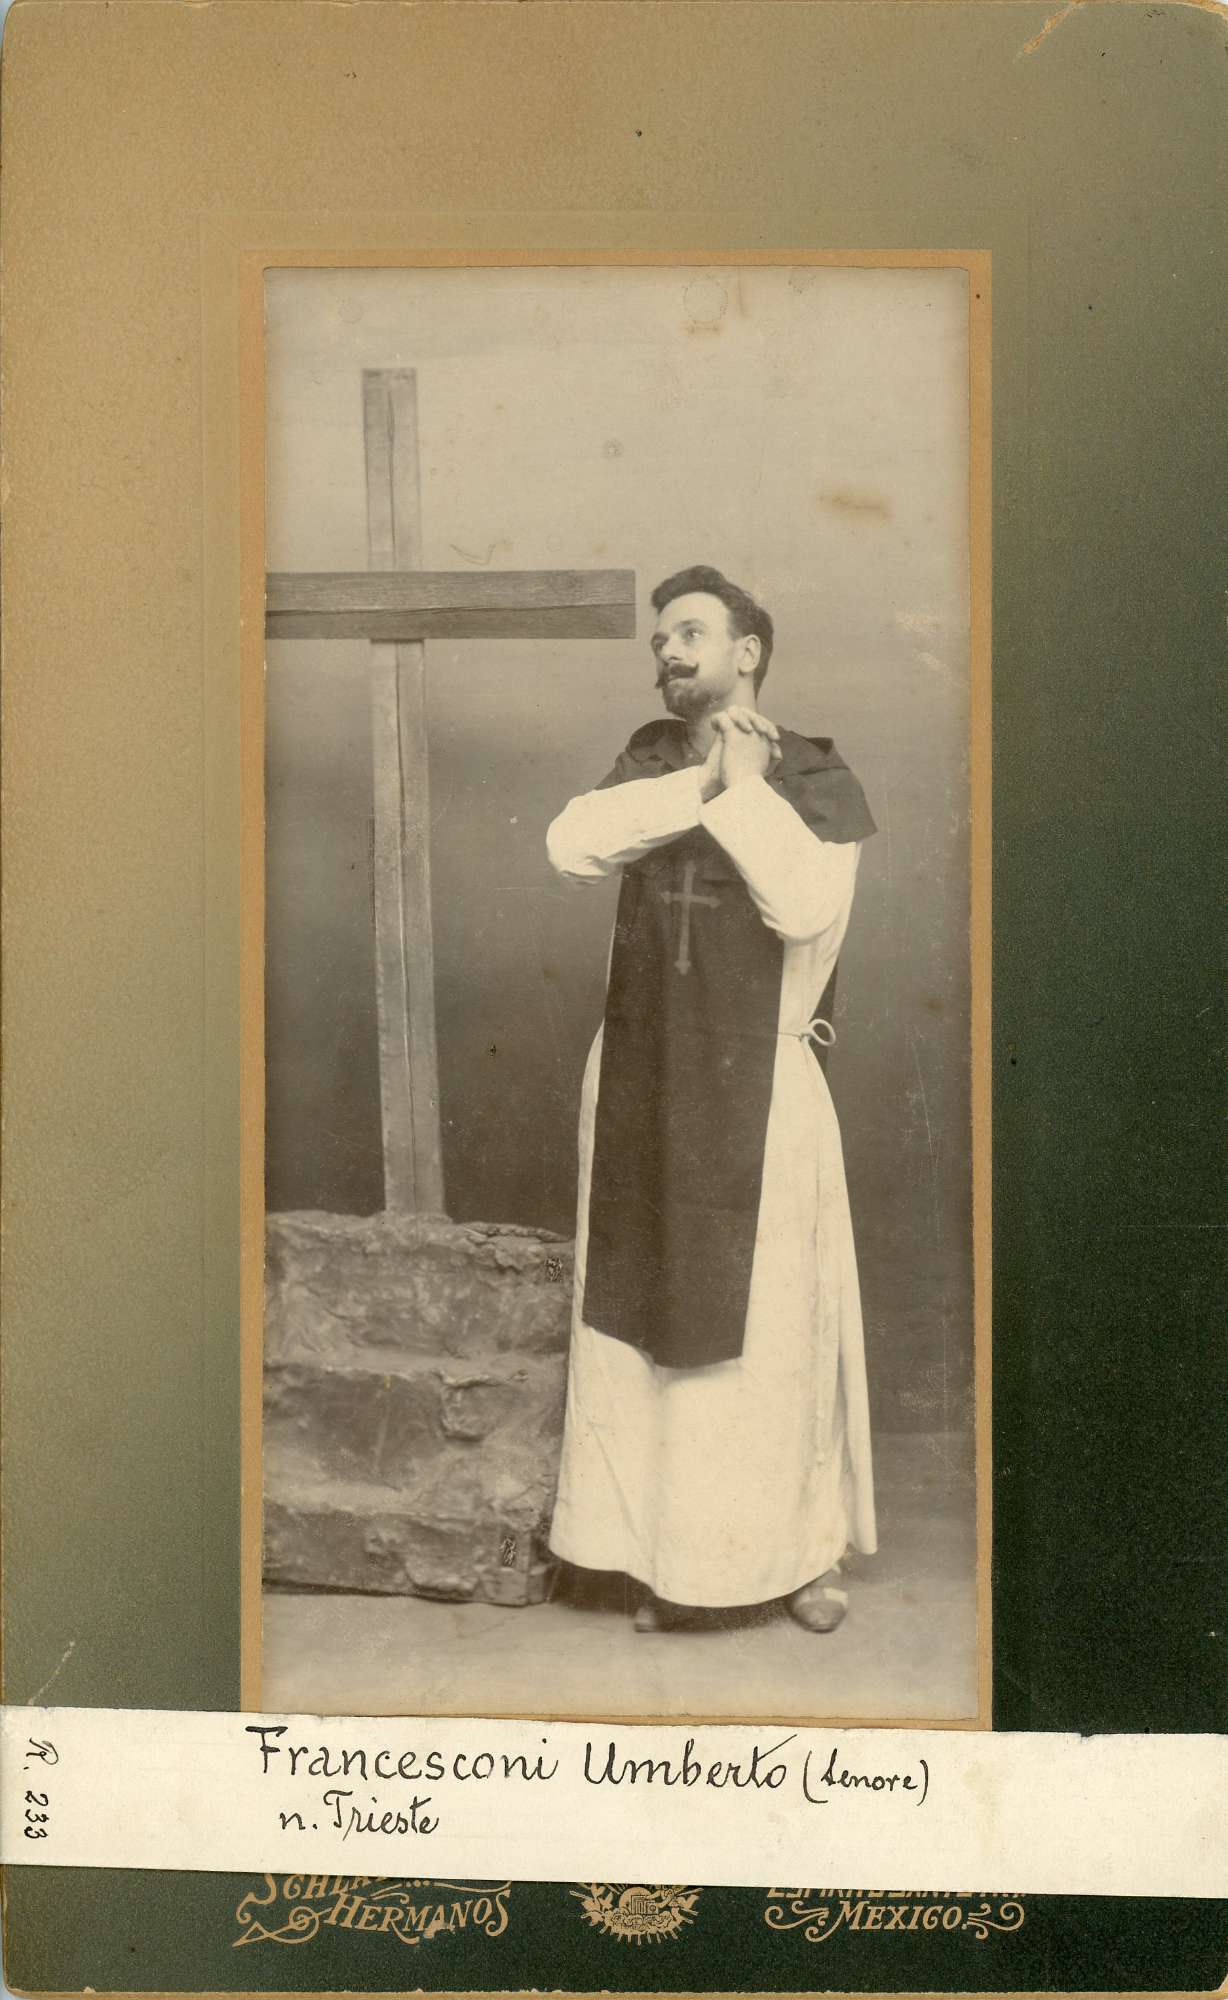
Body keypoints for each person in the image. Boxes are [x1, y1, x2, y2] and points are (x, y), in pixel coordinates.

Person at [544, 565, 877, 1634]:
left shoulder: (813, 774)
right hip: (639, 1079)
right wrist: (702, 780)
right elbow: (568, 846)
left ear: (749, 651)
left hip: (758, 1092)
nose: (669, 652)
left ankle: (792, 1558)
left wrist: (745, 787)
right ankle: (645, 1556)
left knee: (766, 1337)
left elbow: (806, 904)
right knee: (635, 1327)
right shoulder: (651, 760)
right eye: (659, 640)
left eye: (690, 632)